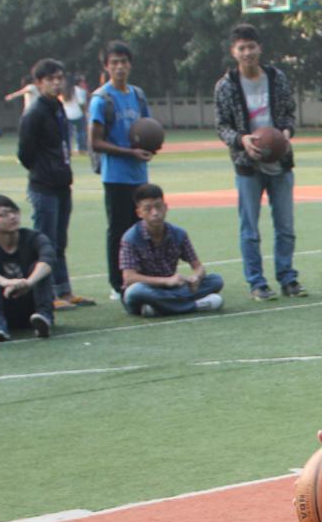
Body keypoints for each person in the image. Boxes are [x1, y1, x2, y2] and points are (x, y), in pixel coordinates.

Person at [215, 23, 303, 301]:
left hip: (280, 162)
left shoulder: (277, 78)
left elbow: (289, 114)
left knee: (285, 227)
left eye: (251, 47)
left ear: (260, 48)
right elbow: (222, 126)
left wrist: (285, 133)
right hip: (247, 165)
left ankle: (288, 278)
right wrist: (242, 140)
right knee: (250, 229)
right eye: (241, 48)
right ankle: (257, 282)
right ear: (233, 51)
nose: (247, 53)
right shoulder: (226, 86)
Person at [17, 58, 89, 309]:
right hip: (43, 186)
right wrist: (44, 170)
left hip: (61, 183)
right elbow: (24, 153)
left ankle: (64, 290)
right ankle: (47, 295)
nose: (57, 83)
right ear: (38, 83)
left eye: (59, 78)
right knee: (45, 243)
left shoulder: (57, 107)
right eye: (50, 79)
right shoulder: (35, 112)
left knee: (59, 241)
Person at [90, 40, 152, 301]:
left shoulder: (138, 95)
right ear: (106, 66)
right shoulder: (101, 99)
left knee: (141, 228)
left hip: (139, 174)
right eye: (114, 63)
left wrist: (151, 145)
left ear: (130, 65)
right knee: (118, 231)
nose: (119, 67)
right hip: (115, 176)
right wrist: (129, 153)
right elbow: (95, 142)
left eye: (123, 62)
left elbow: (147, 127)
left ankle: (140, 276)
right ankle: (117, 283)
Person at [118, 183, 224, 317]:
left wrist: (196, 277)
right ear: (139, 213)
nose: (155, 213)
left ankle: (159, 308)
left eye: (158, 206)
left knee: (215, 280)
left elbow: (198, 267)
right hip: (147, 289)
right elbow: (129, 278)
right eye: (148, 209)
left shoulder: (179, 234)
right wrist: (167, 281)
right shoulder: (130, 238)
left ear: (166, 207)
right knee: (135, 291)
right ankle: (195, 306)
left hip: (172, 289)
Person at [0, 194, 56, 341]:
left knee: (39, 268)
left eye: (14, 212)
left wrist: (28, 283)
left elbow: (48, 259)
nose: (12, 217)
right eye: (4, 214)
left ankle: (44, 317)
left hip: (32, 306)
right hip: (4, 303)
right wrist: (5, 282)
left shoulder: (34, 238)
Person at [62, 72, 86, 155]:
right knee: (80, 132)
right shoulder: (77, 90)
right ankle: (81, 148)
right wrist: (85, 112)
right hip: (78, 114)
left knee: (68, 134)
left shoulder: (63, 90)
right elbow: (81, 102)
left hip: (67, 114)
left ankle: (68, 149)